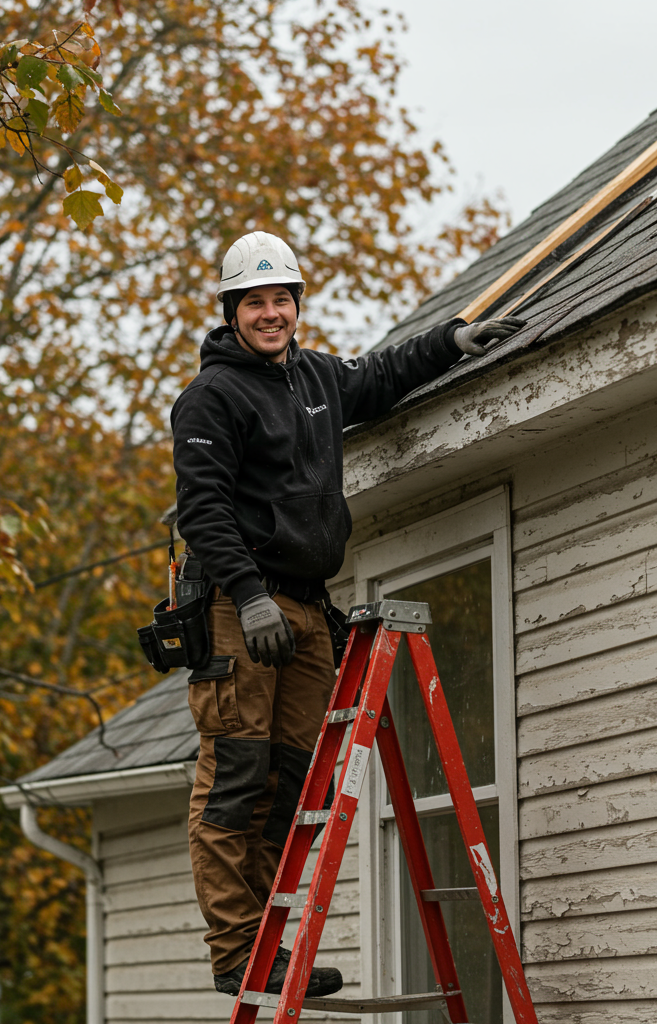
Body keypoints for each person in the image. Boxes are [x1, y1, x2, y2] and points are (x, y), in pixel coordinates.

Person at [170, 231, 523, 997]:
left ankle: (270, 949)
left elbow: (382, 372)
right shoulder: (211, 398)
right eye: (255, 302)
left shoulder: (316, 379)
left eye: (282, 299)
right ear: (232, 311)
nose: (272, 313)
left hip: (304, 609)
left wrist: (454, 339)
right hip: (242, 605)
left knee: (293, 787)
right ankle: (236, 955)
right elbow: (201, 509)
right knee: (235, 777)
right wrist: (251, 592)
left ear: (297, 305)